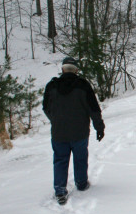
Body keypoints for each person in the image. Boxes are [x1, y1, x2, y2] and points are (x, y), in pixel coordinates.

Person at [42, 57, 105, 204]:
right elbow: (93, 109)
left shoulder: (52, 86)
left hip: (59, 132)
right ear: (76, 70)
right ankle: (81, 184)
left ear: (63, 69)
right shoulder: (83, 86)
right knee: (80, 157)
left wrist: (56, 120)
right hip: (80, 131)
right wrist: (99, 127)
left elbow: (46, 107)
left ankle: (60, 190)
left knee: (60, 160)